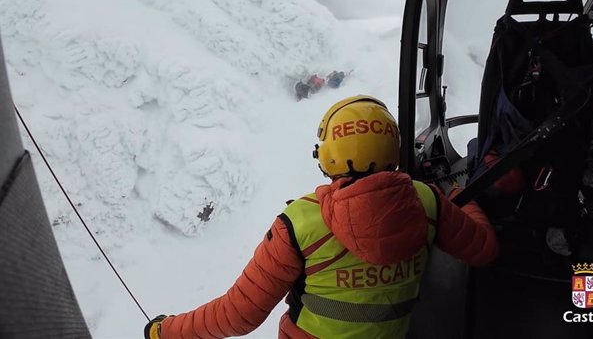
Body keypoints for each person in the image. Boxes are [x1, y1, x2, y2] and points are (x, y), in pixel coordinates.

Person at [144, 95, 499, 339]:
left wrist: (164, 331)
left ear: (327, 153)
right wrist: (459, 197)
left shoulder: (299, 224)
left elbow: (240, 315)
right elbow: (484, 250)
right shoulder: (429, 202)